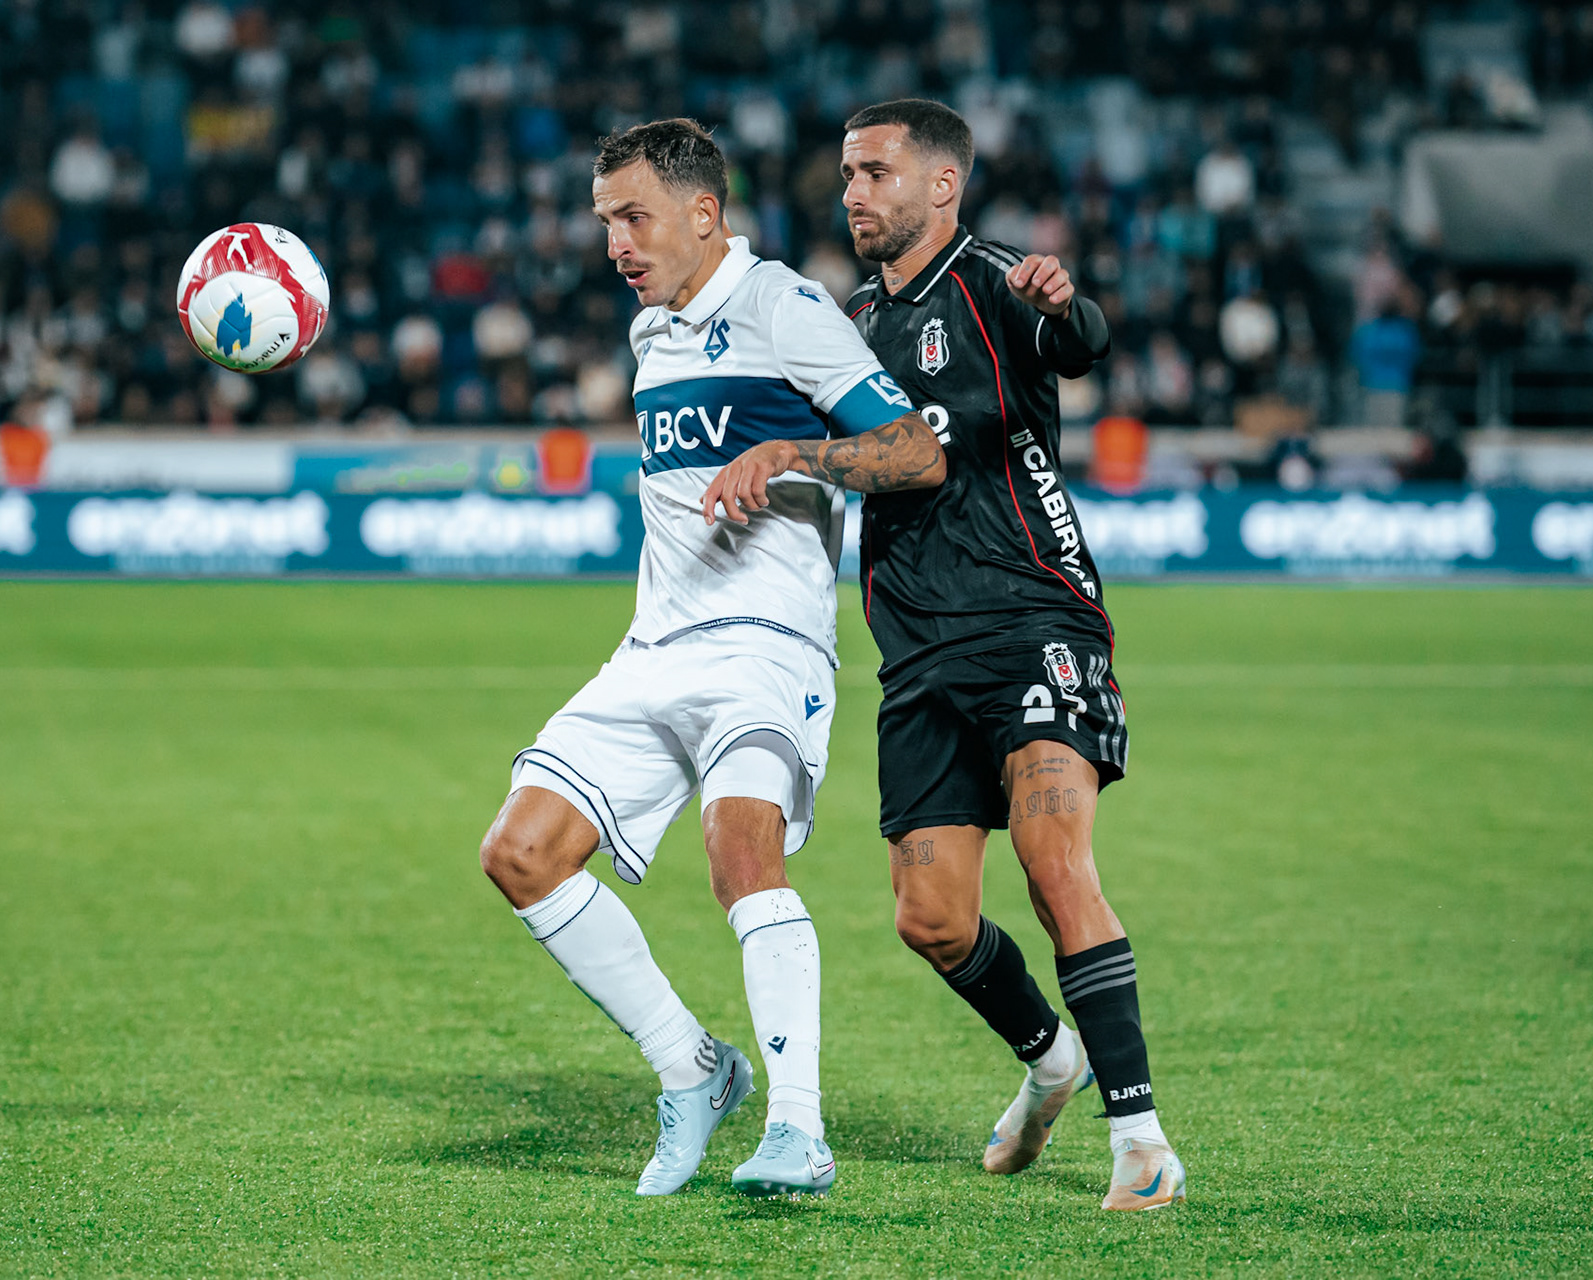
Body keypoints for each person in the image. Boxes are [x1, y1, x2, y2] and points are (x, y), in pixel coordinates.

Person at [701, 98, 1185, 1211]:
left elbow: (1077, 340)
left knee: (1058, 865)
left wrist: (1072, 307)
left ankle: (1142, 1136)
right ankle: (1050, 1059)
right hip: (915, 651)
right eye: (846, 174)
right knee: (932, 917)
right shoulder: (853, 319)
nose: (854, 193)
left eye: (874, 172)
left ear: (942, 186)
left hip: (1032, 618)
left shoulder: (1002, 281)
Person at [479, 118, 945, 1199]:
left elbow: (914, 449)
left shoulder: (785, 308)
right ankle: (693, 1067)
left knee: (739, 850)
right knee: (521, 850)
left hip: (768, 641)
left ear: (703, 212)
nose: (617, 244)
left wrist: (795, 451)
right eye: (605, 223)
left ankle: (799, 1129)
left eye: (633, 218)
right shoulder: (652, 335)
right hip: (654, 645)